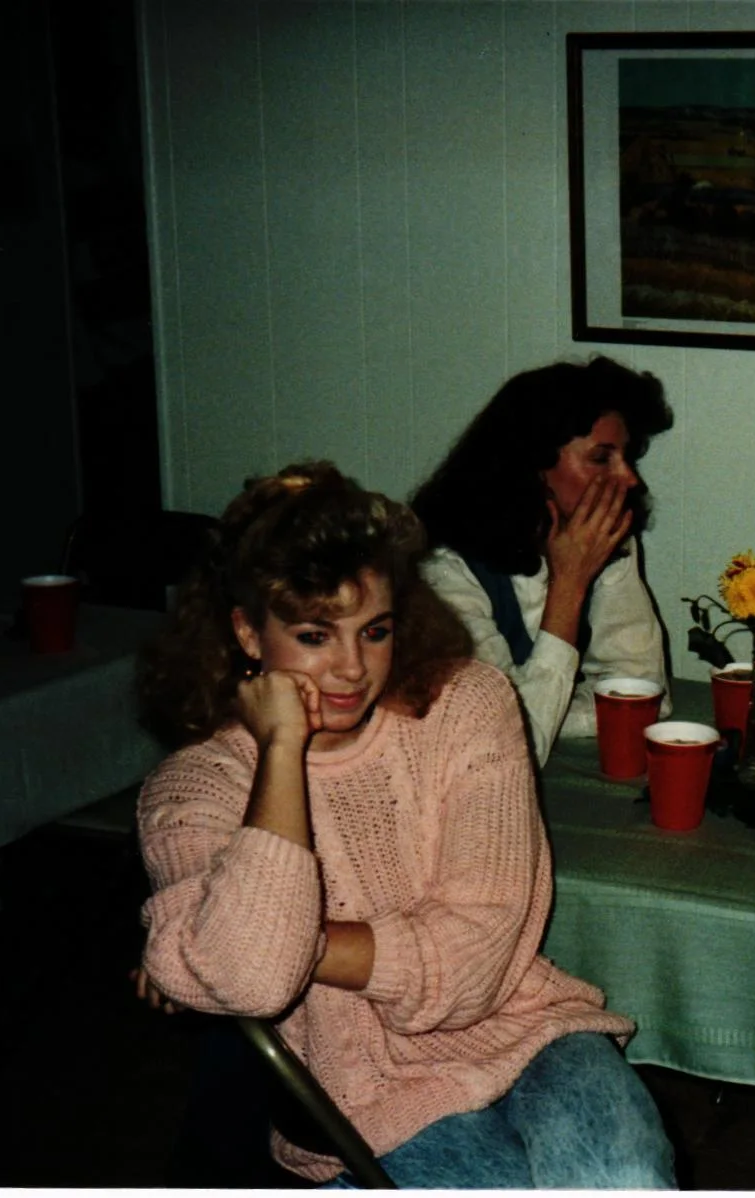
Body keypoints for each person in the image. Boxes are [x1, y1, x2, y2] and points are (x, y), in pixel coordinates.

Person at [133, 461, 675, 1188]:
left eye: (375, 630)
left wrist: (246, 946)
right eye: (315, 635)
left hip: (526, 1027)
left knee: (625, 1177)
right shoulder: (194, 786)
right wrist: (281, 750)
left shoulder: (467, 705)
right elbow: (254, 981)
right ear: (248, 633)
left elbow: (475, 959)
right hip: (357, 1087)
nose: (352, 668)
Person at [411, 356, 674, 767]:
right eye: (601, 458)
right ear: (531, 466)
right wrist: (568, 585)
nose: (629, 479)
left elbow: (642, 692)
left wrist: (547, 711)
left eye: (626, 457)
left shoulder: (602, 536)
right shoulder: (445, 569)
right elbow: (513, 747)